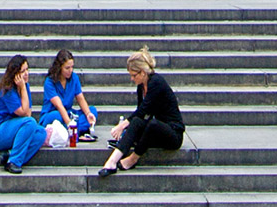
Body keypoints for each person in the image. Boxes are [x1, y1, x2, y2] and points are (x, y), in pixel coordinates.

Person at [96, 47, 184, 178]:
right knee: (137, 123)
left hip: (172, 132)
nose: (132, 79)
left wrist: (122, 125)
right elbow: (140, 115)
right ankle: (111, 163)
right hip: (155, 130)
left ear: (142, 72)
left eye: (133, 75)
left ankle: (133, 159)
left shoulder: (157, 82)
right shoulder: (141, 86)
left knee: (152, 124)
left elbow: (144, 109)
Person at [0, 53, 46, 174]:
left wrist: (24, 88)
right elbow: (24, 114)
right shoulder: (7, 90)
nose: (26, 73)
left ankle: (8, 155)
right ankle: (13, 162)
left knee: (41, 132)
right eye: (22, 71)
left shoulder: (25, 86)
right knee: (30, 123)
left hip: (14, 128)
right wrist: (23, 88)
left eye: (27, 69)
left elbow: (28, 113)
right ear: (15, 74)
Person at [42, 47, 98, 145]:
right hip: (55, 114)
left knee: (92, 111)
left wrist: (88, 113)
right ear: (59, 67)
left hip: (69, 113)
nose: (70, 70)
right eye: (67, 68)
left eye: (72, 67)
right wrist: (69, 124)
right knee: (56, 116)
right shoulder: (49, 82)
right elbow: (59, 105)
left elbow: (80, 98)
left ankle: (73, 130)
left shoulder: (74, 78)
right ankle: (76, 130)